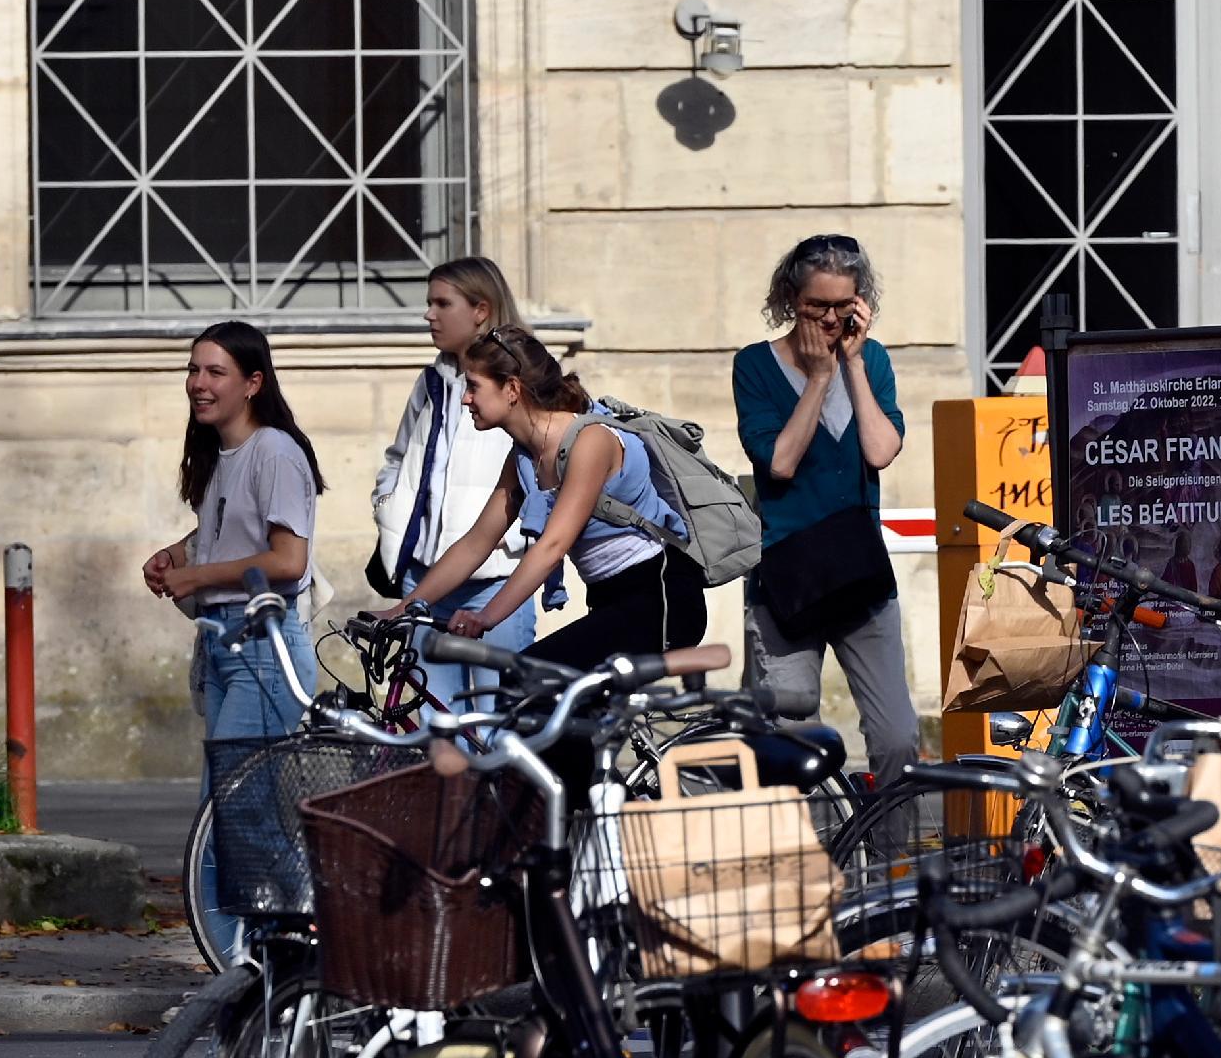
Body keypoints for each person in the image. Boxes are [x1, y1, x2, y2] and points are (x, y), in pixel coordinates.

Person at [142, 321, 327, 963]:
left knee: (237, 826)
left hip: (264, 652)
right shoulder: (223, 454)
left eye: (215, 372)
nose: (198, 383)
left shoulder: (275, 450)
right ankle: (242, 975)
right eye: (194, 370)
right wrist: (179, 553)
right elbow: (226, 536)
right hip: (225, 646)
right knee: (224, 825)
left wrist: (198, 573)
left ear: (253, 383)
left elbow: (287, 560)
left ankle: (253, 977)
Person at [386, 325, 705, 668]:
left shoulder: (590, 440)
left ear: (511, 389)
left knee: (529, 682)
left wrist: (487, 617)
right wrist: (399, 612)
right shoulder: (524, 456)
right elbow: (476, 543)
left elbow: (552, 546)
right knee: (552, 697)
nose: (466, 399)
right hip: (611, 600)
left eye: (474, 387)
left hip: (661, 597)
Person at [732, 233, 918, 788]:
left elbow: (881, 450)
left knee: (897, 736)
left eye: (845, 305)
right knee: (789, 736)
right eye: (819, 306)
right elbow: (780, 463)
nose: (832, 319)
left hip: (860, 574)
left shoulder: (874, 360)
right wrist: (816, 379)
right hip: (789, 581)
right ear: (792, 298)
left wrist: (853, 368)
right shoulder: (755, 366)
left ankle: (888, 860)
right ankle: (806, 861)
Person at [369, 255, 537, 708]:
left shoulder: (523, 382)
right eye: (429, 302)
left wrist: (520, 545)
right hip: (425, 581)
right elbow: (398, 456)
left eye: (442, 303)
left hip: (496, 584)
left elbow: (547, 467)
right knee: (430, 738)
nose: (429, 314)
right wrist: (389, 507)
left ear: (481, 310)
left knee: (498, 731)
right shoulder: (433, 381)